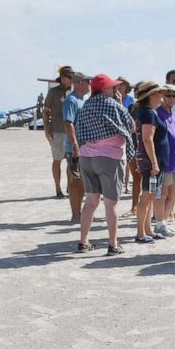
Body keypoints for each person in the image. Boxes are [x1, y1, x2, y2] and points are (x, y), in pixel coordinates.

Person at [74, 73, 135, 255]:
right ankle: (113, 244)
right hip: (109, 158)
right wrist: (119, 102)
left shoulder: (87, 105)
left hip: (87, 157)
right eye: (112, 87)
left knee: (91, 202)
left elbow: (79, 128)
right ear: (105, 89)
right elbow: (131, 126)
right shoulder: (112, 105)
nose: (115, 89)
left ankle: (83, 241)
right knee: (111, 203)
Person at [132, 81, 170, 243]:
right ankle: (140, 233)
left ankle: (147, 230)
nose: (162, 95)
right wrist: (154, 162)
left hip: (155, 162)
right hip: (151, 163)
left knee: (151, 195)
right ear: (152, 95)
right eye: (159, 93)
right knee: (146, 196)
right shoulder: (148, 113)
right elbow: (147, 139)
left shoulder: (149, 112)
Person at [156, 84, 175, 232]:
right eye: (168, 95)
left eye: (174, 96)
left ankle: (162, 221)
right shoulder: (158, 114)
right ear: (162, 96)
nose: (171, 98)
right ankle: (160, 224)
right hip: (165, 161)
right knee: (163, 193)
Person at [62, 71, 91, 224]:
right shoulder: (71, 100)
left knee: (83, 182)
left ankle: (79, 212)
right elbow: (68, 123)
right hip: (75, 147)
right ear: (80, 83)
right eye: (87, 81)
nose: (90, 85)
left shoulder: (83, 99)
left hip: (85, 147)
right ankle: (75, 214)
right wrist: (74, 145)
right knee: (75, 182)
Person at [43, 65, 74, 198]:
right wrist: (46, 129)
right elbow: (45, 110)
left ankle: (70, 187)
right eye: (69, 77)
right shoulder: (54, 92)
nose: (71, 79)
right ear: (62, 78)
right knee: (57, 160)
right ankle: (57, 188)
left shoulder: (74, 92)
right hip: (57, 131)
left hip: (71, 132)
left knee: (71, 161)